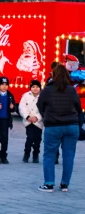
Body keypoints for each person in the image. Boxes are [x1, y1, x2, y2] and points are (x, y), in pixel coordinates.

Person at [37, 64, 80, 192]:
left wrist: (46, 116)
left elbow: (40, 105)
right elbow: (78, 107)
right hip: (72, 126)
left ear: (53, 75)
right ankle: (65, 184)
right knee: (69, 155)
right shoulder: (72, 90)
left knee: (49, 155)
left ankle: (49, 184)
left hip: (53, 126)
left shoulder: (48, 90)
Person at [19, 79, 44, 163]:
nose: (35, 88)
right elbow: (21, 107)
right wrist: (27, 116)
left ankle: (35, 155)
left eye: (37, 87)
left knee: (37, 140)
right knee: (29, 138)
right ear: (30, 88)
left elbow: (44, 109)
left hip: (38, 123)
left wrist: (37, 117)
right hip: (28, 122)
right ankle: (26, 155)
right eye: (33, 87)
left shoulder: (43, 96)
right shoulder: (25, 96)